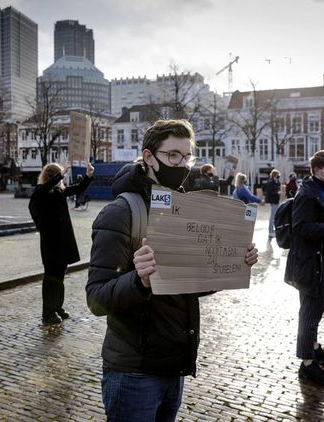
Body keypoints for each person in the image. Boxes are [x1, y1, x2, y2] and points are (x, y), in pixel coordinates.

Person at [86, 119, 259, 421]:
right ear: (149, 157)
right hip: (133, 373)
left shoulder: (184, 209)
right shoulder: (120, 213)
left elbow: (189, 284)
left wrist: (228, 264)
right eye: (173, 156)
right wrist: (138, 281)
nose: (182, 164)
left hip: (174, 369)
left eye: (188, 156)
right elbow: (96, 298)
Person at [284, 150, 324, 387]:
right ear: (318, 169)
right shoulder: (306, 193)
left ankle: (314, 347)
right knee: (309, 314)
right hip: (312, 264)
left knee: (318, 309)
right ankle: (308, 364)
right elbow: (300, 227)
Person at [29, 162, 94, 325]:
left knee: (59, 277)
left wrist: (88, 176)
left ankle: (57, 307)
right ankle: (47, 313)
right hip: (50, 244)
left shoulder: (59, 192)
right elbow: (43, 191)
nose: (61, 180)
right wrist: (60, 173)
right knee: (51, 279)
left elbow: (77, 189)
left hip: (62, 244)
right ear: (51, 177)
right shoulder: (40, 193)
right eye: (57, 177)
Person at [265, 169, 281, 238]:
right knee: (272, 216)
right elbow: (269, 192)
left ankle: (273, 230)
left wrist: (277, 182)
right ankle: (270, 231)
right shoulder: (270, 182)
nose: (278, 177)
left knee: (275, 216)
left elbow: (277, 188)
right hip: (273, 201)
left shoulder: (275, 182)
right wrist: (277, 192)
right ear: (274, 175)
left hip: (276, 200)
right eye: (277, 176)